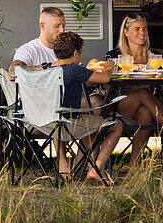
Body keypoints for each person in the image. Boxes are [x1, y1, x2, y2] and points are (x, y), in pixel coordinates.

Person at [105, 14, 163, 165]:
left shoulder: (154, 56)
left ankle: (133, 166)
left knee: (145, 112)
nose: (142, 33)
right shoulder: (114, 56)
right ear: (126, 32)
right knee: (142, 91)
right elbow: (105, 83)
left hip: (149, 106)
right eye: (137, 29)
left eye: (144, 29)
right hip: (121, 105)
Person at [50, 32, 123, 184]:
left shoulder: (49, 68)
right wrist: (110, 65)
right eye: (81, 51)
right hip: (70, 123)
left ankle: (77, 171)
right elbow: (105, 78)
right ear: (76, 53)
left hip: (49, 123)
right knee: (116, 125)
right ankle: (97, 168)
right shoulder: (75, 69)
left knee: (92, 121)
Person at [9, 6, 68, 78]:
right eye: (57, 26)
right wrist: (52, 66)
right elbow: (14, 72)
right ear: (43, 26)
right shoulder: (29, 50)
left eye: (63, 26)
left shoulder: (66, 49)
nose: (62, 30)